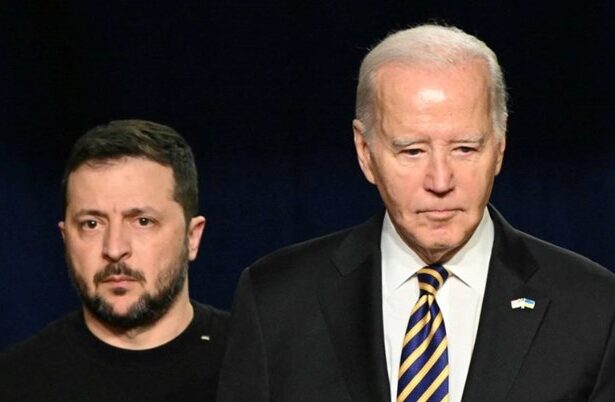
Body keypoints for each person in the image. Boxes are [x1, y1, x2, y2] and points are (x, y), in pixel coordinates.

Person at [217, 25, 615, 402]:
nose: (440, 180)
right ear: (365, 152)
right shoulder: (276, 300)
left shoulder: (594, 308)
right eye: (412, 151)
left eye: (464, 148)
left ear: (499, 146)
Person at [0, 120, 228, 401]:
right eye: (92, 224)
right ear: (65, 238)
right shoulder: (14, 382)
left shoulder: (254, 364)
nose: (114, 248)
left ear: (192, 237)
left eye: (143, 221)